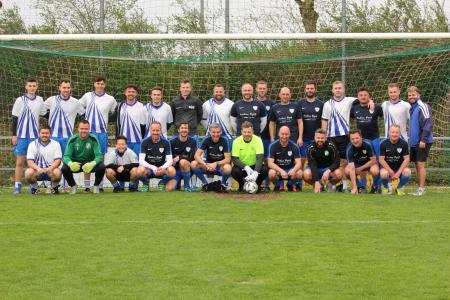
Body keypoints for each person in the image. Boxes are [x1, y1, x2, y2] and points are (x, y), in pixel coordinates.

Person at [322, 80, 373, 191]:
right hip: (331, 136)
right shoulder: (327, 104)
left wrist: (371, 101)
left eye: (340, 88)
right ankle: (331, 183)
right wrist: (324, 135)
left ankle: (345, 185)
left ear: (344, 89)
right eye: (336, 88)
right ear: (332, 90)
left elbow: (363, 98)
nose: (338, 90)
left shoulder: (350, 100)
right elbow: (324, 121)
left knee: (345, 161)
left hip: (345, 136)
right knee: (334, 161)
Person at [44, 79, 85, 191]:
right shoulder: (51, 100)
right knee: (51, 162)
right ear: (59, 88)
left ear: (70, 88)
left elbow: (83, 114)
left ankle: (66, 185)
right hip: (53, 137)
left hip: (68, 137)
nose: (66, 90)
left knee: (66, 162)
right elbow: (42, 111)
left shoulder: (76, 102)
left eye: (68, 88)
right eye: (64, 87)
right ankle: (50, 185)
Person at [79, 76, 117, 192]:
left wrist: (105, 121)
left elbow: (115, 112)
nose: (100, 85)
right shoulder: (87, 96)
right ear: (94, 84)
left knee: (100, 160)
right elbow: (79, 107)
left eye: (102, 84)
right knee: (87, 158)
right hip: (88, 133)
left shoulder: (110, 99)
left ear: (105, 85)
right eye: (98, 83)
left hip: (102, 133)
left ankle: (99, 185)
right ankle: (86, 186)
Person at [11, 78, 47, 194]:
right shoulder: (19, 100)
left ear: (36, 87)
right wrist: (14, 135)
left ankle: (33, 186)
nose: (32, 88)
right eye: (30, 86)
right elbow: (15, 119)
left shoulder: (40, 100)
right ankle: (17, 186)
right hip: (21, 136)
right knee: (20, 162)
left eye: (34, 86)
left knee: (33, 163)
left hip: (34, 137)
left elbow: (45, 113)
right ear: (26, 87)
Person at [61, 120, 105, 194]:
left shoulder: (93, 139)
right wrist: (70, 163)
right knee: (64, 168)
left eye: (86, 129)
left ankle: (96, 186)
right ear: (78, 129)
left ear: (89, 129)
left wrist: (93, 163)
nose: (84, 131)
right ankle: (73, 186)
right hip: (76, 163)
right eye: (82, 129)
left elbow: (99, 156)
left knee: (102, 167)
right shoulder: (72, 139)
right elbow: (66, 156)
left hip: (89, 163)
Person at [297, 81, 323, 191]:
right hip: (303, 139)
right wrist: (300, 137)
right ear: (305, 89)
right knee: (301, 161)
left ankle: (317, 185)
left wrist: (322, 137)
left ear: (315, 89)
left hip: (317, 140)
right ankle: (298, 185)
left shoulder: (321, 104)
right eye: (307, 88)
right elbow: (298, 121)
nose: (309, 90)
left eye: (311, 88)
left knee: (316, 161)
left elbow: (323, 122)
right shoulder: (299, 103)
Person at [136, 121, 176, 192]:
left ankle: (162, 183)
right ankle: (145, 183)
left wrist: (161, 168)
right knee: (139, 170)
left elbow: (170, 160)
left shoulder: (166, 142)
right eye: (153, 130)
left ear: (160, 131)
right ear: (150, 131)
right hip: (149, 169)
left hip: (161, 169)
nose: (155, 132)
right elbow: (141, 160)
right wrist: (153, 167)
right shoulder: (144, 142)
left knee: (172, 171)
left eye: (157, 130)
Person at [407, 86, 433, 196]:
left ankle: (421, 189)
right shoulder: (412, 108)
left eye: (414, 94)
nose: (411, 97)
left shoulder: (423, 106)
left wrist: (423, 139)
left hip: (422, 141)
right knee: (417, 165)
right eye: (409, 95)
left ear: (419, 95)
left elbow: (428, 123)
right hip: (414, 142)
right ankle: (420, 188)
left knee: (421, 164)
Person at [24, 125, 62, 194]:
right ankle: (35, 188)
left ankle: (54, 188)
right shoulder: (32, 144)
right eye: (43, 133)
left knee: (58, 172)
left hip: (51, 170)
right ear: (39, 134)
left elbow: (58, 161)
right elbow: (29, 162)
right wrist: (38, 169)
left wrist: (50, 168)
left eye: (47, 133)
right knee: (28, 173)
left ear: (50, 134)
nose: (45, 135)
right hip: (37, 171)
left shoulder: (56, 144)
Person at [231, 121, 268, 192]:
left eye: (249, 132)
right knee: (235, 171)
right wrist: (246, 167)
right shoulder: (236, 141)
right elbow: (235, 159)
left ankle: (257, 185)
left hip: (255, 166)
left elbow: (260, 157)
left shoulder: (258, 140)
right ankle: (241, 185)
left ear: (252, 131)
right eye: (245, 132)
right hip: (243, 167)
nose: (247, 134)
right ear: (241, 132)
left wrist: (256, 172)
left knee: (265, 170)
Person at [193, 123, 232, 189]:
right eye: (213, 132)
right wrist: (205, 164)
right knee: (194, 164)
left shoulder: (224, 140)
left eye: (218, 132)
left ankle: (223, 185)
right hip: (208, 165)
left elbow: (228, 159)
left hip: (220, 166)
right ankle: (205, 184)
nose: (216, 134)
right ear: (209, 132)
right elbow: (196, 155)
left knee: (228, 167)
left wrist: (216, 163)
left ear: (221, 132)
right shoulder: (206, 140)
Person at [303, 129, 342, 193]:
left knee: (339, 173)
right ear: (314, 138)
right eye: (318, 138)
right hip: (315, 169)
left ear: (326, 138)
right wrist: (316, 181)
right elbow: (313, 165)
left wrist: (328, 170)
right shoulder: (310, 148)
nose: (320, 140)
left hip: (327, 169)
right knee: (306, 174)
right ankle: (317, 185)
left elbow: (337, 162)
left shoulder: (331, 146)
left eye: (322, 138)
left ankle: (329, 185)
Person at [350, 88, 383, 158]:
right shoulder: (354, 108)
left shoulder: (376, 107)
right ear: (358, 97)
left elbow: (384, 117)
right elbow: (351, 118)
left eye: (365, 95)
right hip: (361, 139)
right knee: (364, 157)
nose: (363, 97)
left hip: (374, 138)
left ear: (369, 96)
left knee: (378, 157)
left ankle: (380, 168)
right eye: (361, 95)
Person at [267, 126, 302, 192]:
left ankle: (290, 185)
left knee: (299, 173)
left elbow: (299, 163)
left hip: (290, 170)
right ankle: (278, 185)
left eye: (286, 134)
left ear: (289, 134)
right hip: (278, 171)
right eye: (282, 134)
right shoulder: (273, 145)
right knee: (271, 173)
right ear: (278, 134)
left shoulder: (294, 146)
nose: (284, 136)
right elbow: (270, 163)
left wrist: (294, 170)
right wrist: (281, 171)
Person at [379, 125, 411, 195]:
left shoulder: (404, 143)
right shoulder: (383, 143)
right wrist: (390, 171)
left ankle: (399, 188)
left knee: (407, 172)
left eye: (397, 132)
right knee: (384, 174)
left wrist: (398, 172)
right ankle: (386, 188)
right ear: (389, 133)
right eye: (392, 132)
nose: (394, 134)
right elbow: (381, 159)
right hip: (387, 168)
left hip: (399, 168)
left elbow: (407, 159)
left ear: (399, 133)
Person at [345, 129, 379, 194]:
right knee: (347, 171)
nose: (355, 141)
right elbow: (352, 168)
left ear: (361, 137)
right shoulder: (349, 149)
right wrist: (354, 187)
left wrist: (360, 169)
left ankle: (374, 187)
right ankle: (359, 187)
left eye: (357, 138)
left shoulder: (368, 143)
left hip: (369, 163)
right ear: (350, 139)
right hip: (357, 165)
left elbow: (373, 160)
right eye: (352, 139)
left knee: (375, 171)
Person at [116, 84, 147, 155]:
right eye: (129, 91)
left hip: (137, 141)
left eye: (133, 92)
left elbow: (143, 124)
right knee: (123, 163)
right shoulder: (120, 106)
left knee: (136, 163)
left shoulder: (141, 106)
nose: (130, 93)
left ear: (136, 93)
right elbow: (118, 124)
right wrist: (118, 138)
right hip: (123, 141)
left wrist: (143, 138)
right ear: (125, 93)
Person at [255, 80, 275, 191]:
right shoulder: (252, 102)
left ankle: (267, 185)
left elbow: (273, 122)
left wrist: (272, 137)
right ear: (256, 89)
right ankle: (257, 183)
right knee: (257, 160)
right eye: (260, 88)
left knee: (267, 160)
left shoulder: (272, 104)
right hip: (254, 137)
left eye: (264, 88)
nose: (262, 90)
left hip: (267, 137)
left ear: (266, 90)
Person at [169, 123, 198, 192]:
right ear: (178, 130)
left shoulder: (193, 141)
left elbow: (192, 158)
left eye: (186, 128)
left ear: (188, 130)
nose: (184, 130)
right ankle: (177, 184)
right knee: (170, 188)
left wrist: (180, 157)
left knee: (183, 162)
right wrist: (172, 161)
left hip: (188, 169)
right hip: (176, 170)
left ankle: (187, 186)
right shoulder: (172, 142)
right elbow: (169, 157)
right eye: (182, 128)